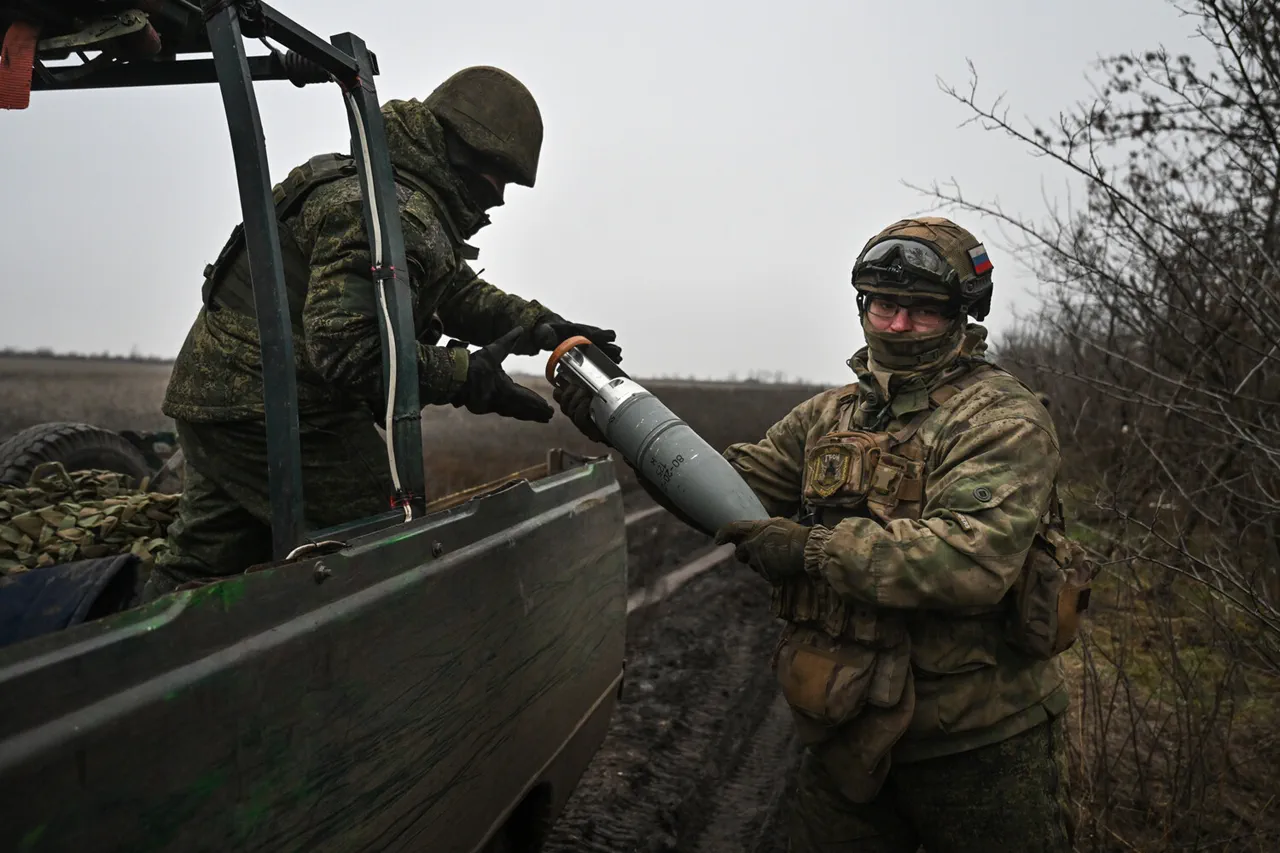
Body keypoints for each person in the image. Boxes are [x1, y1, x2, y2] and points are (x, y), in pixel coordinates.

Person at [555, 216, 1076, 851]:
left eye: (922, 310)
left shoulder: (1001, 420)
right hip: (847, 733)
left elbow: (971, 561)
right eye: (884, 304)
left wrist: (810, 549)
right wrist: (623, 425)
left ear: (963, 314)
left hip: (978, 743)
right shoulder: (830, 415)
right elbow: (727, 490)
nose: (898, 325)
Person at [143, 66, 620, 601]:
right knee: (383, 553)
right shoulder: (387, 210)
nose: (501, 199)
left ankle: (116, 667)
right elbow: (350, 351)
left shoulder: (384, 192)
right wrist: (466, 377)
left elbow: (449, 287)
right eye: (500, 179)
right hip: (277, 411)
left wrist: (537, 324)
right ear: (469, 157)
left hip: (223, 398)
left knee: (204, 561)